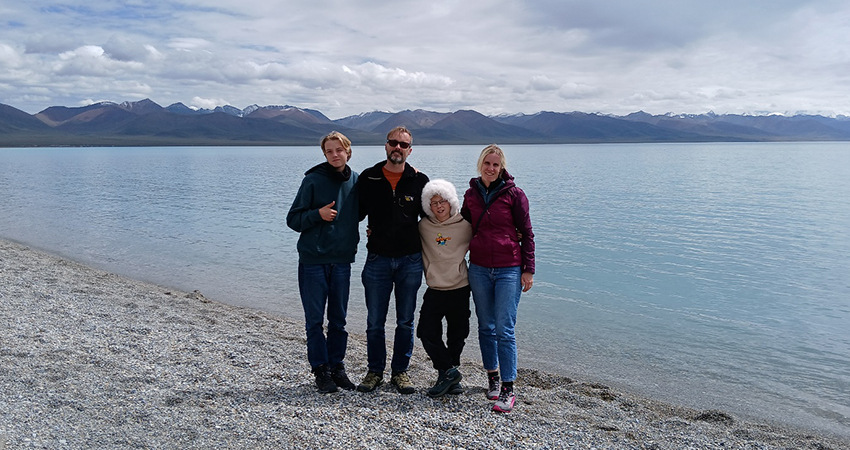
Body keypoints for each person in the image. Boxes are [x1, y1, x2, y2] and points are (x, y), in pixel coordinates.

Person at [461, 144, 535, 413]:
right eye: (486, 163)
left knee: (504, 328)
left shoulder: (514, 194)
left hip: (508, 269)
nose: (490, 168)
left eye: (495, 164)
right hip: (479, 268)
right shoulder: (471, 194)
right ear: (480, 164)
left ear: (502, 167)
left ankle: (508, 388)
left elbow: (527, 233)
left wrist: (528, 270)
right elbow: (462, 227)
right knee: (485, 326)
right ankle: (492, 377)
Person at [356, 126, 430, 394]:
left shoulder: (420, 181)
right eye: (393, 143)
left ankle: (400, 372)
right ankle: (375, 371)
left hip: (410, 261)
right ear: (385, 146)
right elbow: (354, 214)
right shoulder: (369, 178)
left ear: (410, 150)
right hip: (377, 260)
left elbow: (435, 219)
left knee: (405, 321)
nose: (397, 148)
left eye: (403, 144)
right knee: (375, 320)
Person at [286, 131, 360, 393]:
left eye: (339, 150)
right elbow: (293, 219)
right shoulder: (313, 181)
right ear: (325, 154)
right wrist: (317, 214)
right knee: (315, 320)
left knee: (338, 319)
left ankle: (337, 367)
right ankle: (320, 370)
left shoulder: (356, 181)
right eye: (329, 151)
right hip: (313, 260)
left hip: (341, 260)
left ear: (348, 152)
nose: (335, 154)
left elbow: (368, 210)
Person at [417, 179, 472, 398]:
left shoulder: (465, 225)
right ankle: (449, 372)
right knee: (426, 331)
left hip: (460, 287)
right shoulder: (423, 226)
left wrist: (516, 235)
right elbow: (400, 234)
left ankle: (448, 375)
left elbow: (488, 237)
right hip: (435, 288)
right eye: (433, 203)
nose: (438, 206)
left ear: (451, 202)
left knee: (458, 334)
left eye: (443, 201)